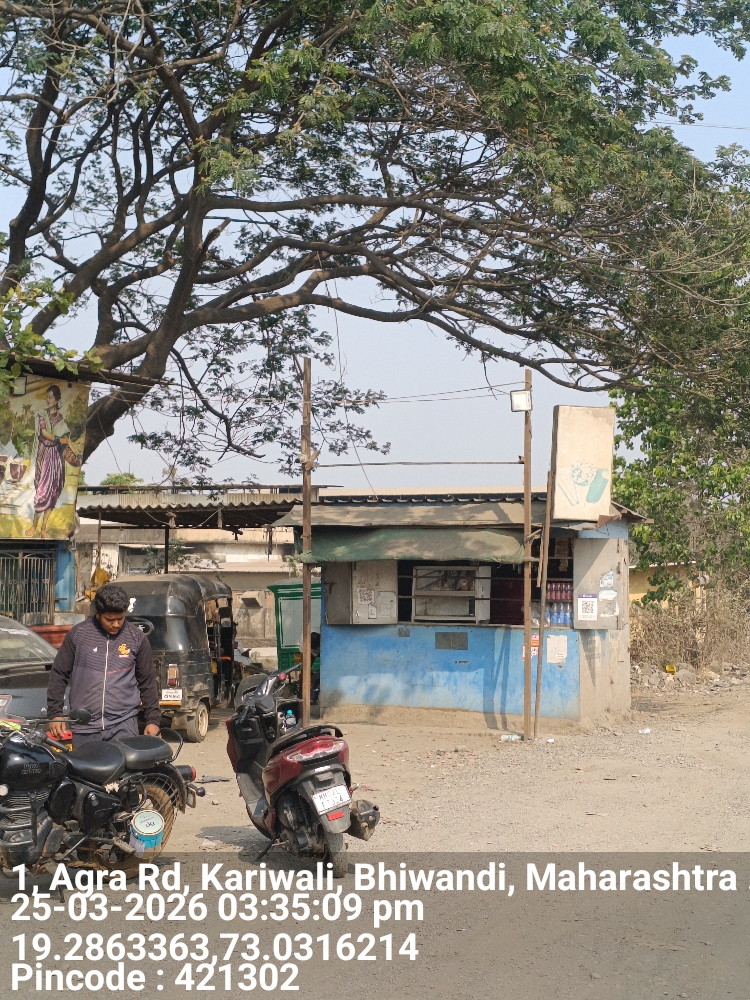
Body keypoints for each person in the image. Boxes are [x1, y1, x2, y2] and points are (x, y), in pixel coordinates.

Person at [47, 583, 162, 748]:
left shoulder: (137, 638)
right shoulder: (78, 635)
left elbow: (148, 682)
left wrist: (153, 721)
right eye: (109, 619)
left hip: (124, 725)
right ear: (97, 613)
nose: (116, 624)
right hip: (85, 726)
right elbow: (58, 675)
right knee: (85, 765)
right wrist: (55, 714)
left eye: (120, 619)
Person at [26, 384, 75, 538]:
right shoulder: (43, 415)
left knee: (53, 490)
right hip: (45, 454)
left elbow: (67, 437)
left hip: (56, 457)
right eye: (47, 397)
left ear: (57, 399)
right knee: (42, 491)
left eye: (50, 397)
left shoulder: (61, 419)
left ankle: (43, 528)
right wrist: (60, 439)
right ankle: (34, 526)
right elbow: (44, 433)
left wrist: (70, 445)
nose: (48, 400)